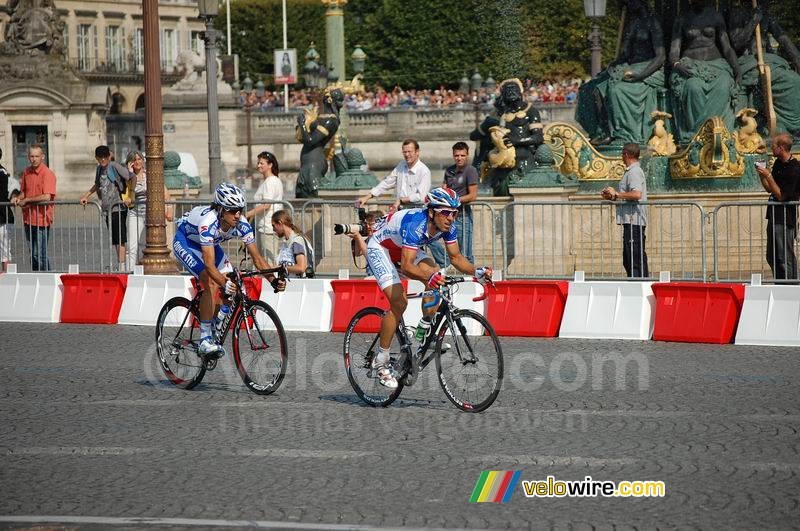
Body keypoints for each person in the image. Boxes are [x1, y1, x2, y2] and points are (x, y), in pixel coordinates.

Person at [366, 187, 493, 389]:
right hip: (381, 248)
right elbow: (407, 265)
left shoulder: (448, 226)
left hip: (404, 248)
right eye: (445, 213)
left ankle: (424, 334)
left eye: (454, 213)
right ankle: (380, 361)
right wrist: (429, 276)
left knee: (435, 272)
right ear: (432, 212)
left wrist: (476, 271)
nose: (451, 218)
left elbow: (457, 258)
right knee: (399, 302)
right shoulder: (416, 223)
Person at [173, 183, 285, 357]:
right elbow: (209, 266)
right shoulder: (207, 222)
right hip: (186, 241)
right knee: (209, 280)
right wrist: (223, 282)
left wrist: (273, 281)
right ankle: (204, 339)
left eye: (239, 210)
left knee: (233, 280)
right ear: (220, 210)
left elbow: (257, 259)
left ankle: (217, 321)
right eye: (232, 210)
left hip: (210, 244)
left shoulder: (242, 223)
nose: (237, 215)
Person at [669, 0, 741, 144]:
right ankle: (697, 133)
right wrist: (676, 64)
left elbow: (726, 47)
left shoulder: (715, 16)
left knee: (723, 85)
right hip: (691, 66)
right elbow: (674, 49)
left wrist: (737, 70)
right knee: (692, 88)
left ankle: (720, 131)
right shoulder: (682, 18)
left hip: (716, 65)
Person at [80, 146, 133, 271]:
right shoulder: (99, 169)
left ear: (109, 156)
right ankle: (120, 264)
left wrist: (131, 196)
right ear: (96, 158)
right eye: (100, 158)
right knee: (115, 239)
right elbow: (97, 184)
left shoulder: (114, 166)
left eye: (105, 157)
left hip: (118, 207)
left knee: (120, 238)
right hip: (107, 209)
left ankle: (122, 267)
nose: (103, 160)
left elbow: (131, 177)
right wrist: (86, 196)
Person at [756, 133, 800, 282]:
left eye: (773, 145)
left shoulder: (794, 169)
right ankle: (780, 283)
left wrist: (768, 176)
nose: (771, 147)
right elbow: (770, 189)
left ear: (781, 148)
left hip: (785, 218)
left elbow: (781, 195)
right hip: (774, 215)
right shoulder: (778, 163)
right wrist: (763, 175)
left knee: (785, 256)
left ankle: (793, 285)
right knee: (772, 255)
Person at [601, 143, 649, 278]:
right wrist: (612, 196)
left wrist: (616, 194)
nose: (621, 157)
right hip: (632, 221)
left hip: (635, 221)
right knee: (630, 257)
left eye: (622, 154)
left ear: (626, 155)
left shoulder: (634, 172)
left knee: (634, 259)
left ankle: (639, 284)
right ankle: (638, 282)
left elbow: (637, 194)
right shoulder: (632, 171)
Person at [430, 142, 479, 266]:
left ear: (467, 155)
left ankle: (473, 277)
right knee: (430, 239)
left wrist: (453, 202)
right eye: (457, 155)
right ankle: (445, 263)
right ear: (453, 155)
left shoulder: (471, 170)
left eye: (462, 155)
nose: (459, 158)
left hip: (463, 216)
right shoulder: (449, 170)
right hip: (445, 215)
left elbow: (472, 195)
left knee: (465, 252)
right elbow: (443, 190)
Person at [124, 151, 173, 269]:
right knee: (131, 246)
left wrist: (169, 209)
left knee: (143, 245)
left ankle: (141, 270)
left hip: (148, 213)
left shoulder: (150, 174)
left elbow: (166, 194)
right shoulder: (127, 177)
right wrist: (130, 176)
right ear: (130, 163)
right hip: (133, 212)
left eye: (139, 159)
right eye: (134, 160)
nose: (137, 162)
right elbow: (128, 196)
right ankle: (129, 272)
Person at [11, 144, 56, 271]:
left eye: (37, 156)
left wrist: (26, 200)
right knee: (33, 253)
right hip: (28, 219)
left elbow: (47, 196)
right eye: (31, 156)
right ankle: (36, 276)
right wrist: (18, 198)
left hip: (42, 219)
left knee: (40, 254)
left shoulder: (47, 173)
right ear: (28, 157)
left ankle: (46, 276)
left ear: (43, 157)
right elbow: (24, 191)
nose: (34, 159)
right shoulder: (26, 172)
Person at [356, 139, 431, 213]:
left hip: (417, 212)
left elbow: (421, 197)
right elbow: (387, 183)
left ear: (417, 152)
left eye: (409, 152)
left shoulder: (424, 171)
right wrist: (366, 197)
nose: (407, 155)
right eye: (404, 152)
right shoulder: (401, 165)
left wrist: (401, 200)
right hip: (400, 211)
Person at [246, 151, 284, 262]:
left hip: (267, 227)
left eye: (261, 163)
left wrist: (247, 214)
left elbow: (266, 205)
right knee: (263, 261)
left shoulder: (270, 181)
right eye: (258, 163)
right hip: (265, 226)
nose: (258, 165)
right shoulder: (272, 181)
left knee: (268, 262)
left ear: (270, 165)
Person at [271, 209, 313, 278]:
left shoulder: (297, 241)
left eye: (273, 225)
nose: (273, 229)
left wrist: (279, 268)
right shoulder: (286, 243)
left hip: (299, 285)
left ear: (280, 222)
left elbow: (301, 268)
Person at [0, 148, 21, 271]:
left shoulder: (1, 173)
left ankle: (7, 277)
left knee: (4, 253)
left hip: (3, 218)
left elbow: (2, 194)